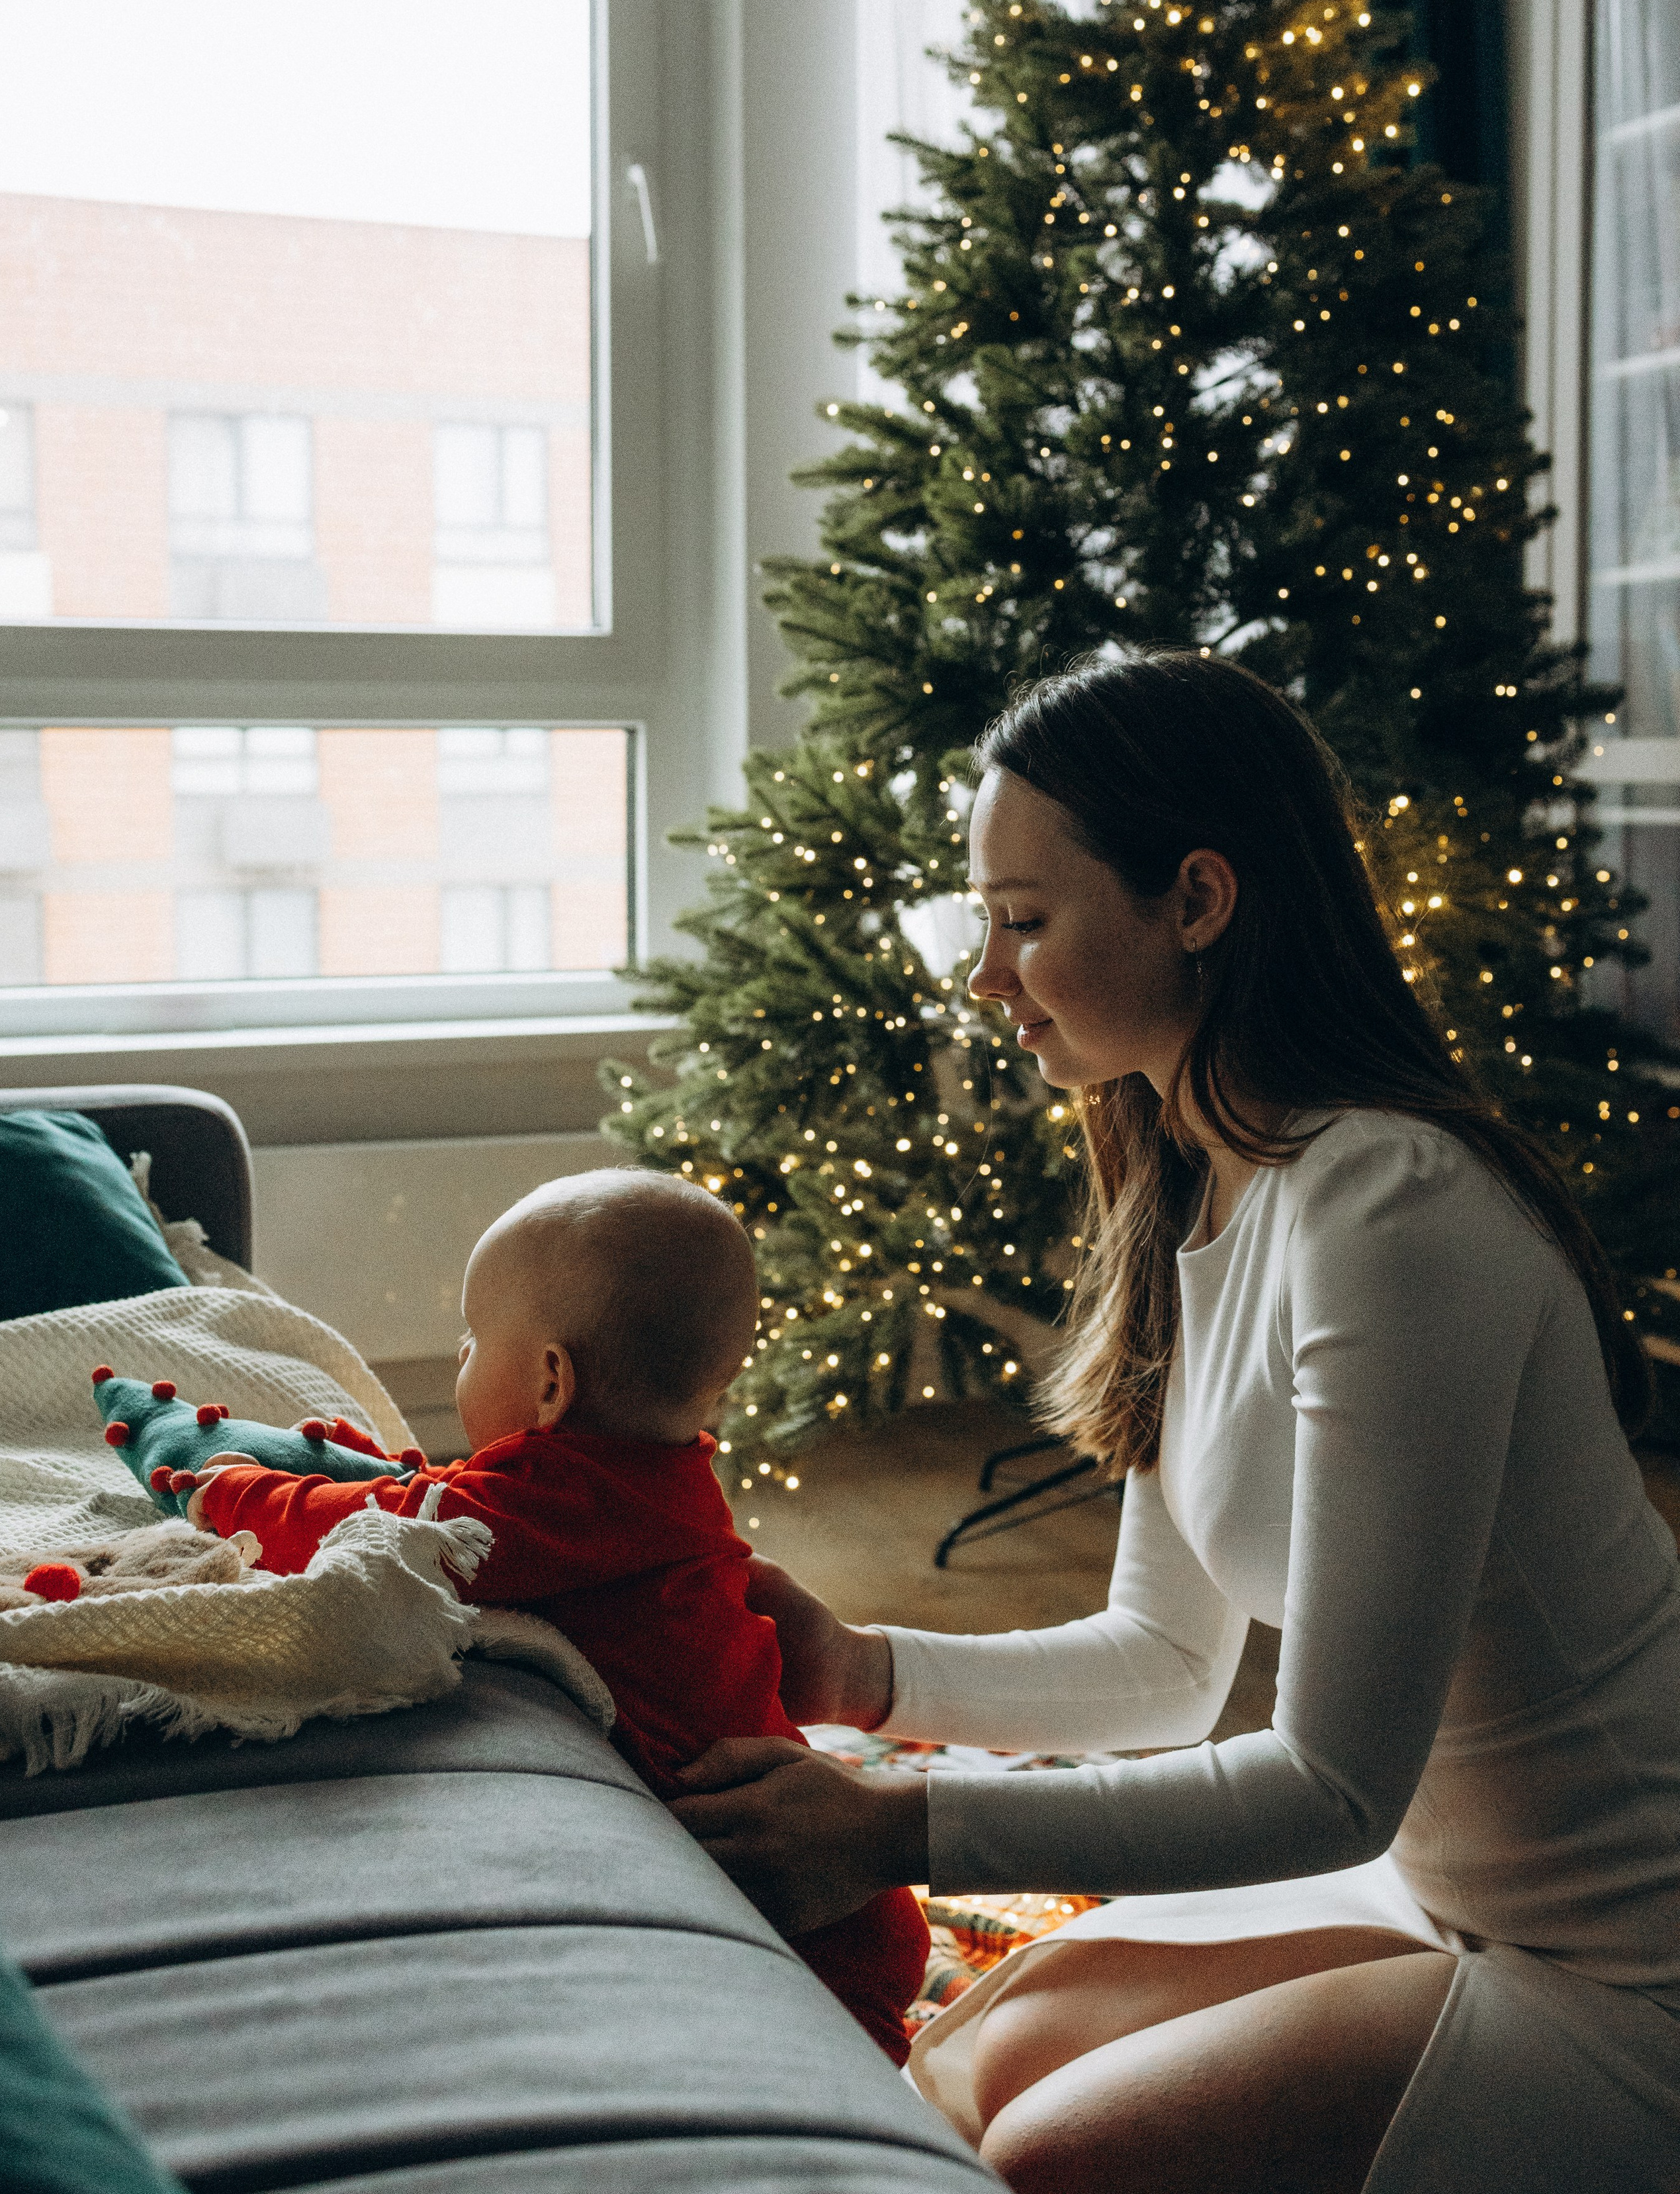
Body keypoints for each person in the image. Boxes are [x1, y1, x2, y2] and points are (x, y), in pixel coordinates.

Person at [666, 653, 1680, 2193]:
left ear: (1195, 900)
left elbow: (1331, 1785)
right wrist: (861, 1672)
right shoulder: (1197, 1176)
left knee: (1056, 2152)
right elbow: (1163, 1663)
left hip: (1629, 1966)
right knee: (978, 2060)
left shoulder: (1389, 1211)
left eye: (1022, 920)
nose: (985, 977)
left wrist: (893, 1826)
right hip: (1441, 1901)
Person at [185, 1167, 930, 2064]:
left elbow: (397, 1530)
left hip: (806, 1915)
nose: (461, 1357)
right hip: (840, 1901)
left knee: (823, 2074)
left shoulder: (566, 1497)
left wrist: (235, 1493)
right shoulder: (644, 1478)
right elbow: (442, 1494)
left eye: (472, 1339)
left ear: (551, 1383)